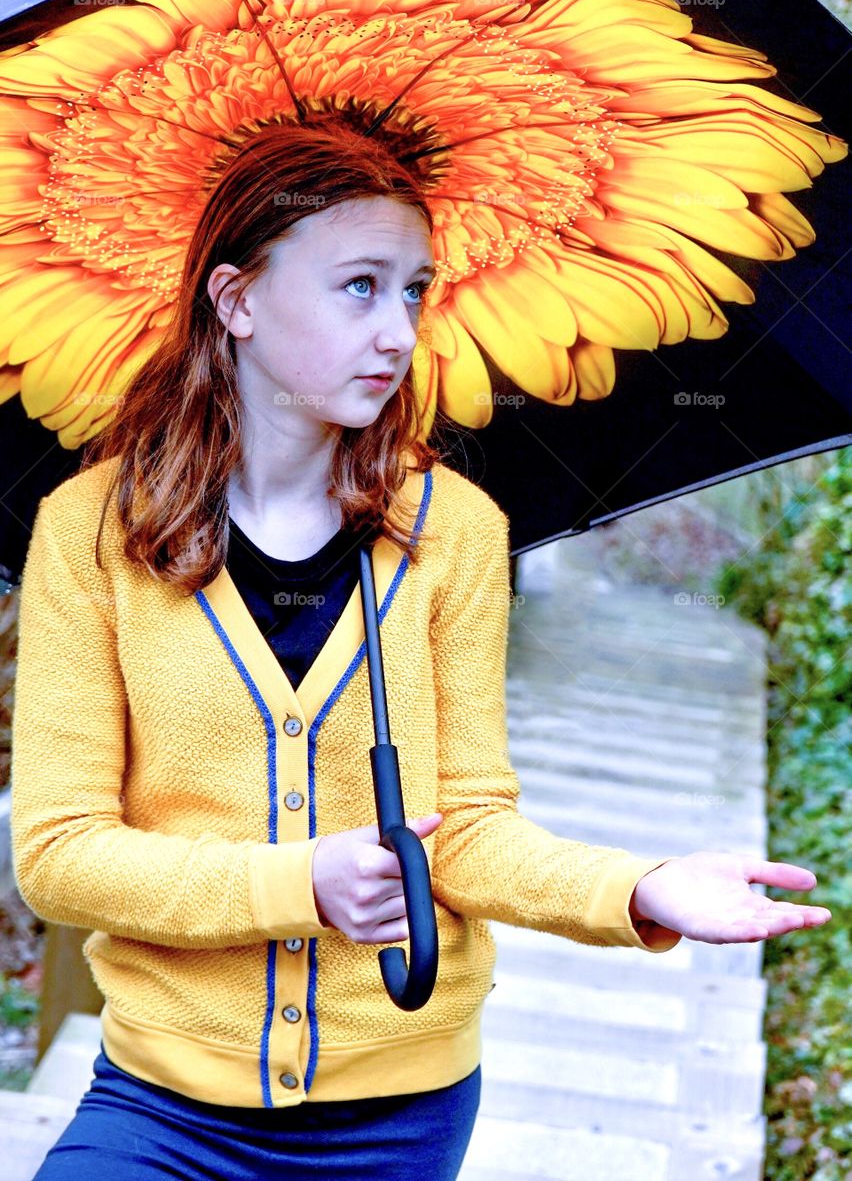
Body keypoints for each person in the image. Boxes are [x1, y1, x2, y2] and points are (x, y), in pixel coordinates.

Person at [11, 115, 832, 1180]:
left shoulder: (452, 531)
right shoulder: (90, 533)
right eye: (359, 284)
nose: (398, 331)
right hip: (165, 1100)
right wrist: (300, 881)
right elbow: (61, 851)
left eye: (413, 289)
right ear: (238, 298)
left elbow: (466, 828)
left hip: (398, 1112)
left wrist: (639, 887)